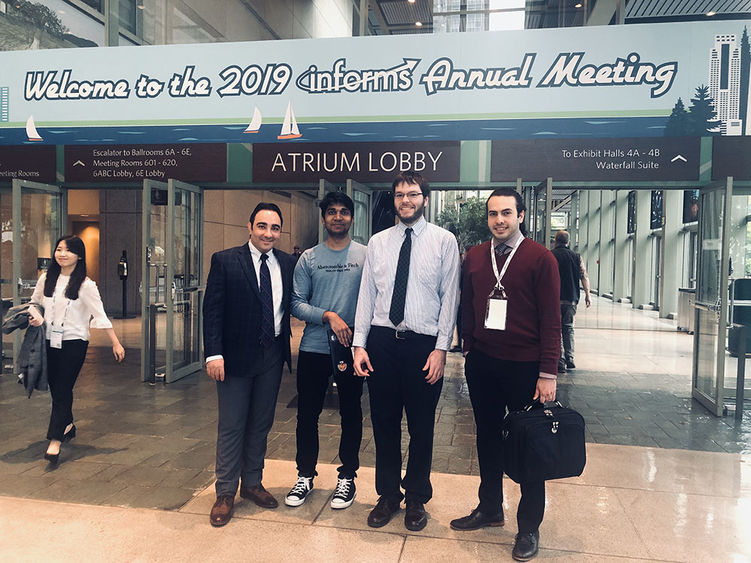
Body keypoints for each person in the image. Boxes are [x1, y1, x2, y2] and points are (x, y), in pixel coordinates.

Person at [451, 188, 560, 562]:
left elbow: (552, 320)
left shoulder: (540, 258)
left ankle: (528, 526)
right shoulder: (476, 256)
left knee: (529, 445)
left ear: (521, 216)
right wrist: (467, 344)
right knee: (486, 437)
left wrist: (548, 372)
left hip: (525, 366)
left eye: (507, 213)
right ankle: (490, 507)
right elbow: (467, 304)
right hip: (483, 362)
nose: (499, 220)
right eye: (493, 213)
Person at [353, 171, 460, 532]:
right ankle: (387, 495)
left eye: (412, 194)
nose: (405, 200)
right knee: (383, 423)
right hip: (383, 342)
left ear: (424, 199)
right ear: (393, 200)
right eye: (399, 195)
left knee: (421, 426)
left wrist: (441, 349)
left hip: (423, 346)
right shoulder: (378, 242)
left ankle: (415, 496)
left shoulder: (445, 242)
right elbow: (367, 296)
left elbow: (450, 300)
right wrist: (359, 344)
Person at [203, 202, 296, 527]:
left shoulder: (287, 262)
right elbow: (212, 311)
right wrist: (213, 354)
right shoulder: (226, 260)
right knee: (232, 425)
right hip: (234, 360)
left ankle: (252, 483)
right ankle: (225, 491)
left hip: (271, 357)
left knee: (260, 424)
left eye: (274, 228)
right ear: (250, 226)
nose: (268, 233)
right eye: (262, 226)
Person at [285, 192, 367, 509]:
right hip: (314, 348)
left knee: (351, 414)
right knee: (307, 415)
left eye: (343, 212)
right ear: (323, 219)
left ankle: (347, 478)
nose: (337, 217)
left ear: (351, 218)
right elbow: (296, 304)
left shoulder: (365, 255)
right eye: (331, 212)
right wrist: (328, 316)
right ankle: (305, 475)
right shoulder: (308, 258)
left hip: (350, 350)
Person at [28, 235, 125, 466]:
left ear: (79, 256)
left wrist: (115, 342)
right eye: (59, 249)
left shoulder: (85, 285)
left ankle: (55, 440)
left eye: (68, 251)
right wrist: (37, 316)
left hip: (74, 343)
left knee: (63, 388)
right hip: (48, 341)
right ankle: (68, 424)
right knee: (57, 389)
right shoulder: (46, 279)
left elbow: (99, 314)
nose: (62, 254)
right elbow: (34, 303)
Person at [551, 230, 591, 373]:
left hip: (553, 300)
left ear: (555, 240)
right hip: (571, 299)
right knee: (568, 328)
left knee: (556, 330)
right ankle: (570, 358)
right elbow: (584, 276)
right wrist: (587, 294)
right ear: (568, 242)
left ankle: (560, 361)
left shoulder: (550, 256)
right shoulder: (576, 257)